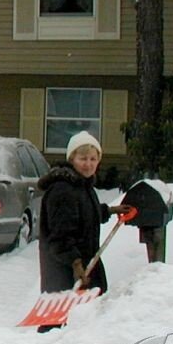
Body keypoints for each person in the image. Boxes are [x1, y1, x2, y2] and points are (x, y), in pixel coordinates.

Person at [36, 131, 131, 331]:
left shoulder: (82, 186)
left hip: (83, 263)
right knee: (59, 324)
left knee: (81, 324)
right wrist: (76, 264)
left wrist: (110, 211)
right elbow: (60, 236)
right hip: (64, 269)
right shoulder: (63, 190)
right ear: (72, 159)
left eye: (93, 159)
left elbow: (85, 214)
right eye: (83, 158)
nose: (88, 164)